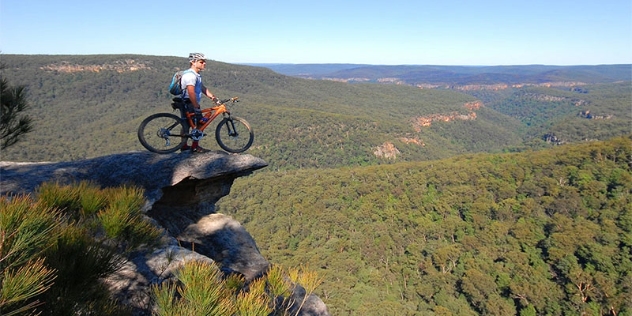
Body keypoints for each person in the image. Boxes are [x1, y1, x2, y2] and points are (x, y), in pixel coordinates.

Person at [180, 52, 220, 152]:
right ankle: (194, 146)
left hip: (191, 102)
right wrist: (196, 106)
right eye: (201, 62)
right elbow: (191, 91)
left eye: (204, 62)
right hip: (189, 102)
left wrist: (213, 98)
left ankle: (184, 145)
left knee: (189, 124)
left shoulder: (196, 75)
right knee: (199, 123)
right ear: (193, 62)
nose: (204, 64)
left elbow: (202, 88)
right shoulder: (190, 76)